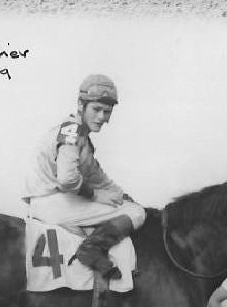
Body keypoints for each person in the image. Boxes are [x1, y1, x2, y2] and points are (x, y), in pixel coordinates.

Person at [21, 74, 146, 281]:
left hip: (52, 201)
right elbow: (67, 179)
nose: (101, 117)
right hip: (51, 202)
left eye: (107, 111)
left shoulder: (82, 139)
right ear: (81, 105)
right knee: (136, 212)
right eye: (96, 109)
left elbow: (98, 177)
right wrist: (97, 196)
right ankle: (91, 249)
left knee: (125, 206)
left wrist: (121, 195)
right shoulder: (72, 131)